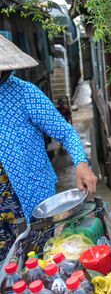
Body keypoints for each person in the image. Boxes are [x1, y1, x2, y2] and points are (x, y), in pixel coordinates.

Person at [0, 35, 97, 259]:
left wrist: (81, 163)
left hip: (32, 202)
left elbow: (65, 132)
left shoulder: (25, 94)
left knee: (38, 265)